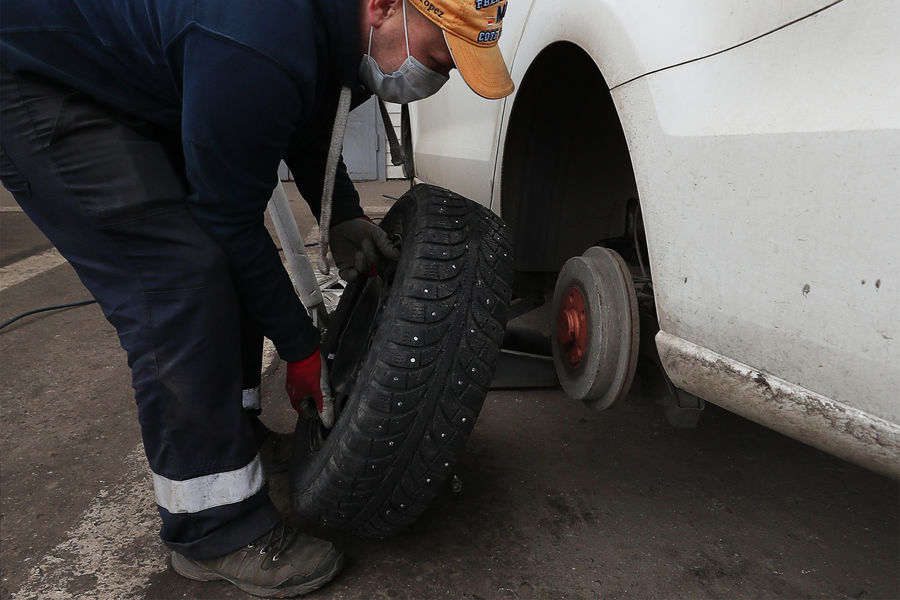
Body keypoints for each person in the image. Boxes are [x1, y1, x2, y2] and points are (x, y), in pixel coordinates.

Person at [0, 0, 513, 596]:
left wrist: (343, 215)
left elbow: (310, 114)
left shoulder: (330, 27)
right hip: (35, 78)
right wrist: (299, 348)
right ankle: (212, 529)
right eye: (434, 56)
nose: (434, 77)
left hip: (125, 69)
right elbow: (228, 218)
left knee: (217, 258)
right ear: (381, 6)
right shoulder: (258, 38)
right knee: (177, 279)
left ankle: (230, 434)